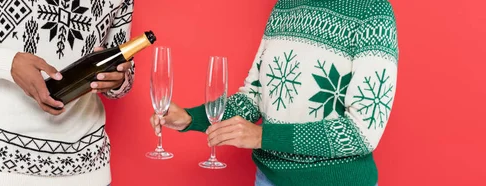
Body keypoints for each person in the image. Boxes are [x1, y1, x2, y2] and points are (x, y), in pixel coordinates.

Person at [151, 0, 398, 185]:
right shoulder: (284, 8)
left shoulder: (373, 13)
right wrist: (191, 117)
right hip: (268, 179)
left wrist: (263, 137)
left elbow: (362, 132)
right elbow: (253, 98)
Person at [0, 0, 135, 185]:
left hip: (90, 169)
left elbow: (121, 69)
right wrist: (7, 63)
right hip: (4, 170)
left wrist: (117, 81)